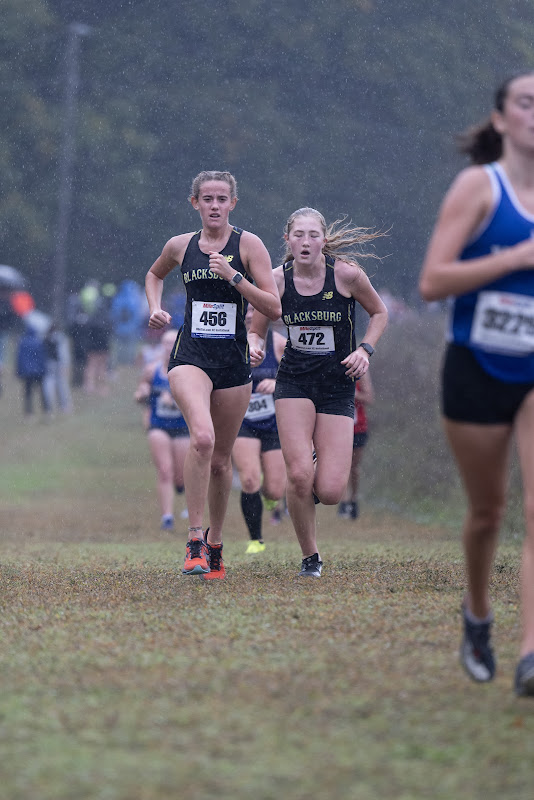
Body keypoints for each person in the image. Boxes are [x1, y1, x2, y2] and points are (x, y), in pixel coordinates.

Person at [418, 72, 534, 697]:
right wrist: (514, 260)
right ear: (501, 119)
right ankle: (478, 614)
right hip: (476, 367)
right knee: (487, 513)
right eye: (527, 103)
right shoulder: (478, 188)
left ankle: (531, 653)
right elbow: (433, 282)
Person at [145, 170, 281, 580]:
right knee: (201, 438)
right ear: (195, 203)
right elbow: (154, 274)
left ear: (233, 203)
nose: (215, 205)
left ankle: (216, 543)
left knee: (222, 462)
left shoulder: (249, 245)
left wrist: (234, 277)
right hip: (190, 356)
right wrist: (155, 306)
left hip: (234, 364)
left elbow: (273, 308)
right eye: (207, 198)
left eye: (222, 198)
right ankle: (193, 541)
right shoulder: (180, 246)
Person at [249, 207, 388, 577]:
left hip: (337, 386)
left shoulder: (346, 275)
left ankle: (307, 477)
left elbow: (379, 313)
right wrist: (254, 343)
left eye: (313, 235)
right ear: (287, 240)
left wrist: (365, 350)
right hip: (293, 382)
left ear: (324, 240)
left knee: (329, 492)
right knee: (298, 477)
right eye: (298, 235)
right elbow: (257, 326)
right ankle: (311, 557)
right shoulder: (277, 280)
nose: (306, 242)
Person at [232, 304, 287, 553]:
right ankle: (256, 539)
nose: (251, 315)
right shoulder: (231, 342)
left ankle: (270, 497)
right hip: (242, 422)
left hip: (275, 424)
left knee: (275, 490)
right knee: (250, 479)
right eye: (247, 310)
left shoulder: (279, 344)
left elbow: (299, 376)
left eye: (256, 309)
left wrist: (277, 383)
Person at [135, 328, 189, 530]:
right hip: (159, 426)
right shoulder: (152, 370)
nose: (168, 347)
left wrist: (175, 402)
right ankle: (167, 517)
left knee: (181, 475)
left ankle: (182, 492)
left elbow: (197, 402)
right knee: (165, 470)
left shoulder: (188, 370)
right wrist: (142, 393)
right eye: (165, 343)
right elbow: (140, 394)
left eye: (172, 342)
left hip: (183, 427)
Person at [338, 369, 374, 520]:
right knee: (341, 465)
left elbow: (370, 398)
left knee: (354, 467)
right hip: (337, 426)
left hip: (357, 427)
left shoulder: (361, 369)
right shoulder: (332, 365)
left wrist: (352, 393)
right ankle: (344, 502)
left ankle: (353, 498)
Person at [15, 324, 50, 417]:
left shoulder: (23, 342)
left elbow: (20, 358)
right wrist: (44, 370)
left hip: (27, 372)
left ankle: (28, 412)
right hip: (38, 371)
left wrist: (19, 371)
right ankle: (46, 410)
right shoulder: (39, 342)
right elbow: (42, 358)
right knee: (42, 392)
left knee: (28, 392)